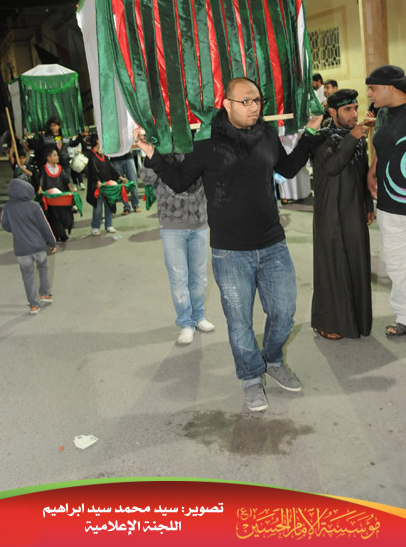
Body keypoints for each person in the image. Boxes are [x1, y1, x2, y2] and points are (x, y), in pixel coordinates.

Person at [135, 77, 322, 412]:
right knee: (239, 324)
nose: (254, 107)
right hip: (230, 252)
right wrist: (150, 152)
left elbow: (289, 168)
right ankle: (250, 377)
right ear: (227, 104)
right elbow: (179, 182)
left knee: (284, 314)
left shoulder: (267, 135)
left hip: (273, 245)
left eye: (257, 100)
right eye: (245, 101)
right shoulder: (207, 143)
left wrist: (309, 133)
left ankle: (273, 360)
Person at [311, 89, 374, 340]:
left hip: (354, 211)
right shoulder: (321, 138)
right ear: (332, 112)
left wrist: (368, 204)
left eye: (356, 108)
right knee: (332, 267)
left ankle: (356, 321)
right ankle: (326, 322)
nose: (354, 114)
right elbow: (333, 165)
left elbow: (362, 171)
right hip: (329, 213)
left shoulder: (355, 136)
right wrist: (354, 137)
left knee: (357, 263)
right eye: (348, 109)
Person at [140, 155, 214, 344]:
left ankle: (198, 316)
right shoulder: (159, 151)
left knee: (199, 277)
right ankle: (186, 323)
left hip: (199, 223)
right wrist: (149, 154)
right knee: (179, 278)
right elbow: (146, 178)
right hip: (171, 225)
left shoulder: (196, 147)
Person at [366, 65, 406, 338]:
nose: (369, 93)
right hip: (388, 203)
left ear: (390, 87)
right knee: (395, 264)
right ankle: (404, 314)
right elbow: (381, 146)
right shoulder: (382, 114)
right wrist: (373, 168)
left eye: (372, 88)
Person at [1, 179, 56, 314]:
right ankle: (45, 294)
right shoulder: (35, 206)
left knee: (27, 275)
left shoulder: (7, 207)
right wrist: (52, 242)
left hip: (21, 248)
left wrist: (16, 229)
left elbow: (5, 225)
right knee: (43, 267)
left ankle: (33, 305)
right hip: (38, 246)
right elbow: (44, 225)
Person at [85, 134, 121, 236]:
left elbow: (110, 166)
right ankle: (95, 227)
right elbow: (93, 170)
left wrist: (119, 176)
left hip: (107, 184)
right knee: (98, 207)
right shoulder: (92, 155)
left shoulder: (103, 154)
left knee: (109, 204)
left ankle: (109, 225)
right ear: (97, 141)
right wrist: (97, 181)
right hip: (97, 186)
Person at [39, 147, 75, 242]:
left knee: (62, 215)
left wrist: (71, 187)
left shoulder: (60, 168)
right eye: (55, 155)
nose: (57, 157)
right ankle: (54, 235)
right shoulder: (44, 169)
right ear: (48, 158)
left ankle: (62, 234)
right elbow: (41, 180)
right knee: (53, 216)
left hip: (60, 197)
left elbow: (66, 179)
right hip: (50, 198)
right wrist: (40, 188)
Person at [111, 151, 141, 215]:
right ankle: (126, 207)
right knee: (120, 185)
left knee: (133, 182)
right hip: (115, 158)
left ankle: (135, 204)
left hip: (128, 157)